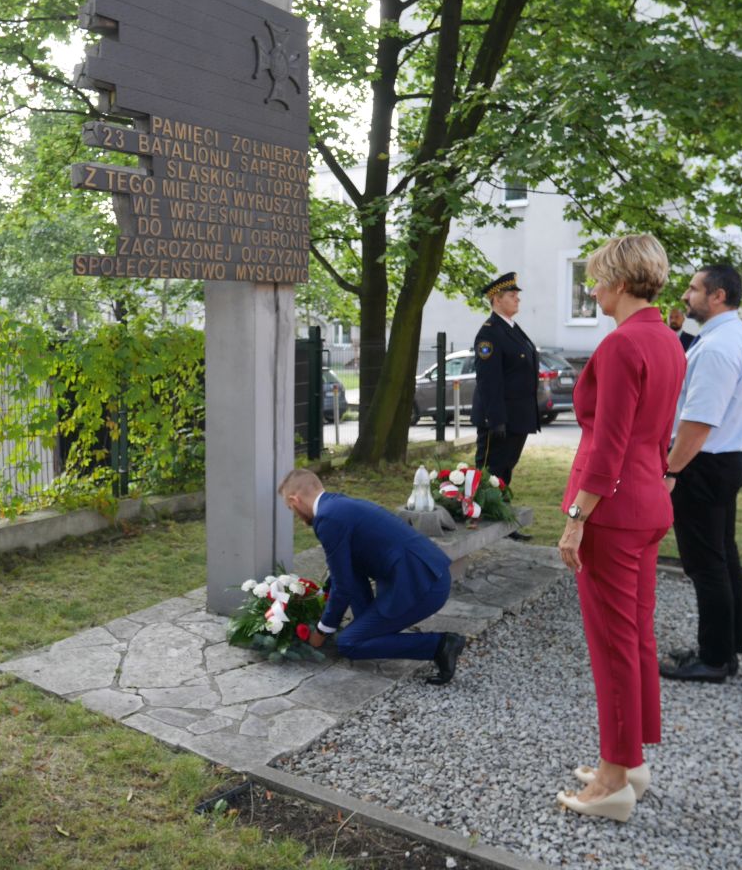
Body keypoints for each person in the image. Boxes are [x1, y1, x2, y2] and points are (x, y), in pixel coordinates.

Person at [554, 235, 686, 823]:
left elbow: (608, 445)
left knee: (613, 645)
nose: (592, 289)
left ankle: (612, 781)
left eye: (598, 278)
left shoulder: (621, 344)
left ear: (623, 282)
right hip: (647, 503)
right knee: (635, 638)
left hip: (611, 511)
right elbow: (656, 436)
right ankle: (630, 762)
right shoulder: (668, 340)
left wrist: (576, 520)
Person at [657, 265, 742, 684]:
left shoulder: (718, 347)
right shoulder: (736, 338)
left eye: (694, 289)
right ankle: (726, 648)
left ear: (717, 296)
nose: (686, 295)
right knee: (722, 556)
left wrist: (670, 470)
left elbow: (698, 422)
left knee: (705, 565)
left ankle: (715, 659)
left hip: (703, 464)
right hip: (725, 459)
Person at [278, 469, 465, 684]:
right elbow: (343, 571)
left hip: (422, 584)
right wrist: (321, 598)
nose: (296, 515)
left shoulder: (327, 518)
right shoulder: (336, 505)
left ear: (295, 500)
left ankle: (441, 645)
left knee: (349, 643)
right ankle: (366, 628)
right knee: (360, 623)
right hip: (416, 573)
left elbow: (343, 585)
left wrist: (321, 631)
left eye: (291, 509)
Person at [470, 271, 539, 487]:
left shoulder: (511, 328)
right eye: (511, 295)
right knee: (490, 475)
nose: (517, 299)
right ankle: (482, 508)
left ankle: (499, 505)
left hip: (517, 417)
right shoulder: (489, 333)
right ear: (497, 299)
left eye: (517, 295)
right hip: (500, 420)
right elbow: (488, 380)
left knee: (504, 473)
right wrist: (496, 419)